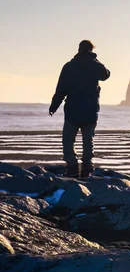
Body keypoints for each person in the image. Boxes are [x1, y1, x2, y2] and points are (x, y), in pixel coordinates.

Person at [49, 40, 111, 178]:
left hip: (72, 109)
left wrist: (54, 106)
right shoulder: (96, 65)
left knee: (68, 140)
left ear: (78, 50)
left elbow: (61, 89)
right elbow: (106, 74)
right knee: (88, 141)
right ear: (91, 50)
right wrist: (95, 59)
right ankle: (87, 168)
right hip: (90, 109)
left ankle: (72, 167)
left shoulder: (69, 66)